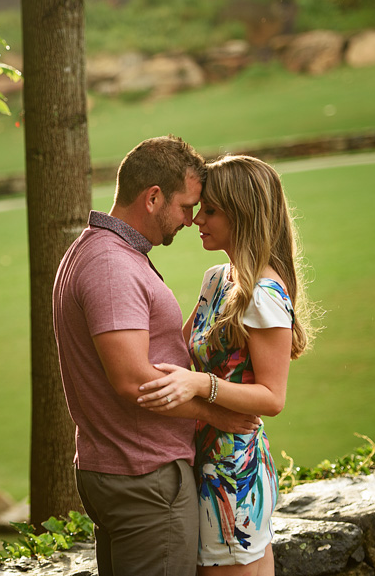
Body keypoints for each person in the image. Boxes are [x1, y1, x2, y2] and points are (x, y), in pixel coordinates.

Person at [53, 136, 260, 576]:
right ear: (152, 198)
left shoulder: (98, 250)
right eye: (187, 207)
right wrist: (215, 413)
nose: (192, 220)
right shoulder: (113, 267)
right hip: (143, 475)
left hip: (122, 468)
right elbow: (132, 381)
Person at [136, 155, 315, 576]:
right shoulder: (218, 279)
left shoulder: (265, 295)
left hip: (235, 477)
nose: (197, 219)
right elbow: (178, 352)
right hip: (201, 462)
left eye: (211, 210)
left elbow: (272, 398)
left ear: (244, 214)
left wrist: (201, 386)